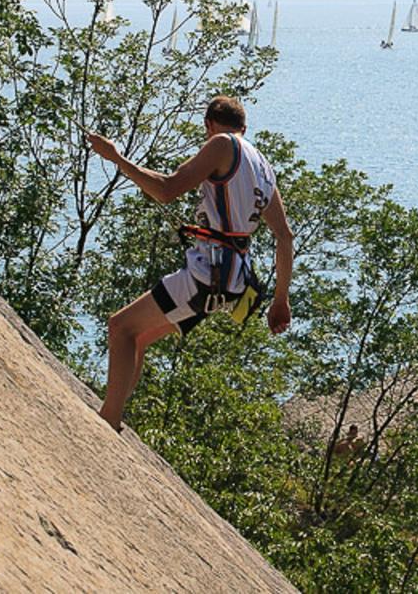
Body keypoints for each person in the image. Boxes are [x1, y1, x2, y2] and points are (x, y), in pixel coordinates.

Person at [85, 95, 294, 432]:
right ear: (245, 126)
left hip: (207, 272)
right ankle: (114, 416)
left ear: (209, 124)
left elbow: (167, 189)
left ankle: (106, 422)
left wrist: (116, 157)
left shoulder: (222, 144)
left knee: (121, 328)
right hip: (235, 282)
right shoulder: (264, 167)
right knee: (137, 338)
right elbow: (284, 237)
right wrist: (281, 300)